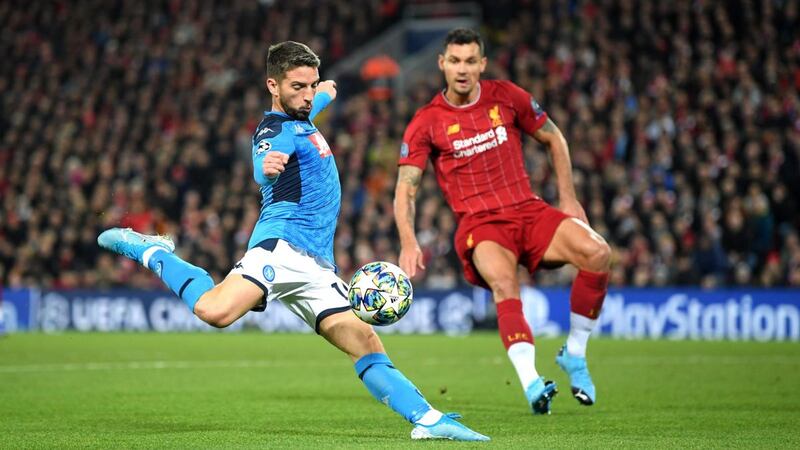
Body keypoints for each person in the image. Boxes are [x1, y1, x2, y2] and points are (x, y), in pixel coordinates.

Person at [98, 41, 488, 442]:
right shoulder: (274, 130)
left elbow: (316, 98)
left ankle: (426, 418)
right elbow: (264, 162)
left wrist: (325, 92)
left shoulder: (304, 111)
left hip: (317, 264)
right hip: (280, 247)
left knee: (363, 339)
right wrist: (265, 170)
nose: (307, 94)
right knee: (214, 312)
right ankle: (153, 251)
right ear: (273, 85)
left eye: (311, 85)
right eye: (298, 87)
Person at [394, 29, 611, 414]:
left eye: (470, 61)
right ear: (442, 64)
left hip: (528, 208)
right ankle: (531, 383)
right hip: (481, 224)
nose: (463, 69)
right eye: (455, 61)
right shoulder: (426, 122)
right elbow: (406, 188)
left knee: (598, 254)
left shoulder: (507, 97)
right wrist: (408, 241)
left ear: (482, 65)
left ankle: (574, 353)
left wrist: (568, 198)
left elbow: (554, 138)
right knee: (504, 284)